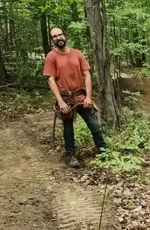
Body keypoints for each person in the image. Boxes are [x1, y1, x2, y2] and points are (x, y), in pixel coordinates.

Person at [43, 27, 107, 168]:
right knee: (68, 128)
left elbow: (87, 74)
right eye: (55, 36)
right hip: (65, 97)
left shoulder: (77, 54)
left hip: (80, 95)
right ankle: (71, 155)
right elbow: (50, 79)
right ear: (52, 40)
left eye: (60, 35)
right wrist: (60, 101)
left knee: (94, 125)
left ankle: (103, 152)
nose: (58, 38)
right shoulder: (51, 57)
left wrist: (88, 97)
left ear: (65, 36)